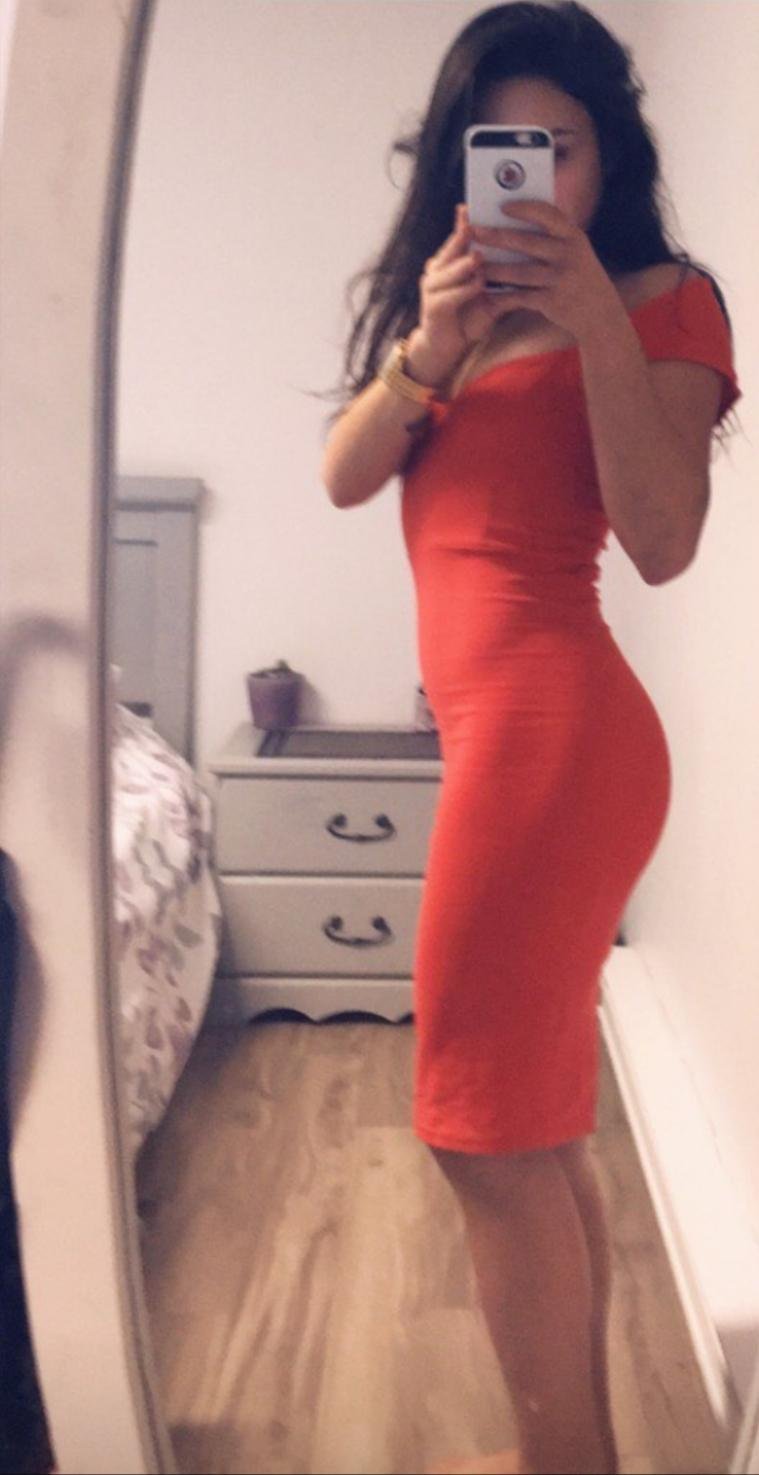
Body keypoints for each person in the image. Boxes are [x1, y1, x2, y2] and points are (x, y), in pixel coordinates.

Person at [319, 4, 742, 1473]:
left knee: (476, 1133)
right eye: (507, 145)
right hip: (502, 737)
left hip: (556, 735)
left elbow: (666, 541)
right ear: (462, 159)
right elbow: (343, 476)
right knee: (535, 1130)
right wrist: (430, 346)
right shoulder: (450, 311)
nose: (538, 175)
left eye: (562, 145)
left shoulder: (668, 301)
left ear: (608, 153)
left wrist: (595, 322)